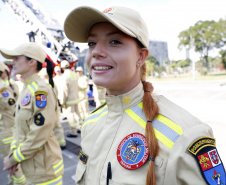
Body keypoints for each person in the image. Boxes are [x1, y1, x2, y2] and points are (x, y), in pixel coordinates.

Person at [64, 6, 226, 185]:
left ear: (140, 57)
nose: (96, 52)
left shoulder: (184, 137)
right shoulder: (91, 123)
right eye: (92, 43)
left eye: (114, 41)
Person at [0, 42, 64, 184]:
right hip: (32, 167)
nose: (12, 62)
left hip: (45, 170)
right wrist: (13, 155)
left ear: (32, 62)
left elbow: (39, 132)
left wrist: (13, 158)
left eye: (16, 58)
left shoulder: (41, 90)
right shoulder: (27, 88)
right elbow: (18, 129)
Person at [0, 61, 26, 185]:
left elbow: (12, 106)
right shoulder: (6, 85)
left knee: (10, 159)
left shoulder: (3, 87)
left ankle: (20, 182)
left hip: (6, 129)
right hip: (6, 127)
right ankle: (13, 181)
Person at [39, 68, 66, 150]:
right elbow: (57, 94)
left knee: (50, 127)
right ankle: (62, 143)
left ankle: (56, 144)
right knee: (58, 125)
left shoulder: (43, 85)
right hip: (55, 107)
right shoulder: (52, 82)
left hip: (48, 108)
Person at [59, 60, 82, 137]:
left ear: (62, 67)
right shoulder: (74, 74)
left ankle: (73, 132)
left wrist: (62, 101)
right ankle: (81, 128)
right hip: (76, 97)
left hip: (69, 100)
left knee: (70, 115)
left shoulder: (64, 76)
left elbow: (64, 90)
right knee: (77, 113)